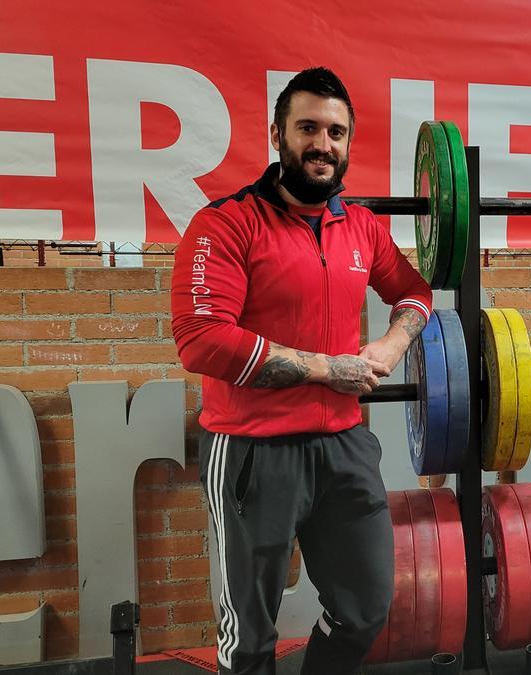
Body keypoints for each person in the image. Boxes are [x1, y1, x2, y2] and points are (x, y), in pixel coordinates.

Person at [170, 67, 432, 675]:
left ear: (347, 143)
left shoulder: (361, 225)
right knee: (251, 633)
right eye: (308, 127)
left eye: (335, 132)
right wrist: (323, 369)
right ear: (277, 134)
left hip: (344, 446)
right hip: (253, 452)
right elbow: (202, 341)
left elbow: (415, 293)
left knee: (366, 606)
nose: (323, 144)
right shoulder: (227, 223)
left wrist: (393, 344)